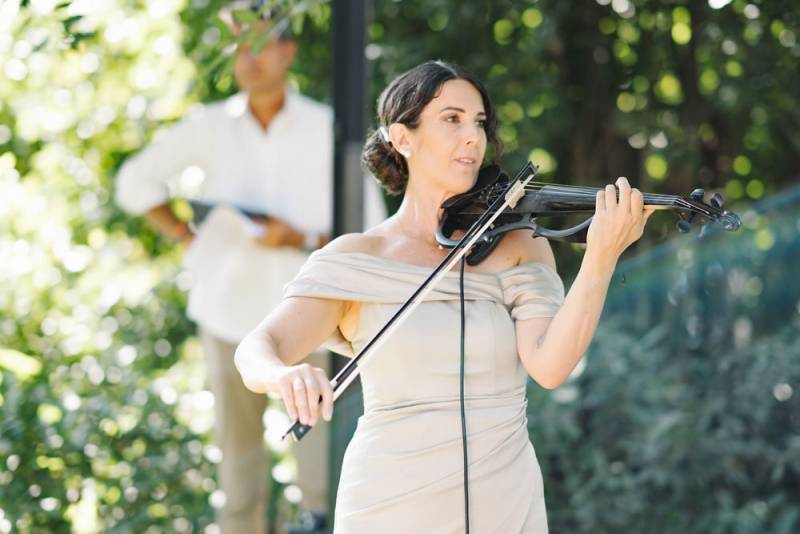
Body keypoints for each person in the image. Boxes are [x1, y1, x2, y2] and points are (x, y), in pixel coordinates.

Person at [234, 60, 655, 532]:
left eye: (479, 122)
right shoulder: (358, 257)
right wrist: (284, 377)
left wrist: (601, 258)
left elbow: (550, 366)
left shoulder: (520, 246)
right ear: (403, 137)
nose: (473, 137)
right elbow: (255, 351)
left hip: (504, 500)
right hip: (388, 501)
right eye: (452, 119)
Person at [115, 5, 385, 533]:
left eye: (259, 44)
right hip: (226, 318)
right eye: (239, 47)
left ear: (288, 51)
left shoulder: (324, 127)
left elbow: (370, 235)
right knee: (238, 478)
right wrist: (186, 236)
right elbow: (133, 185)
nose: (249, 58)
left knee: (321, 480)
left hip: (310, 326)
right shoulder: (209, 126)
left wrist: (301, 239)